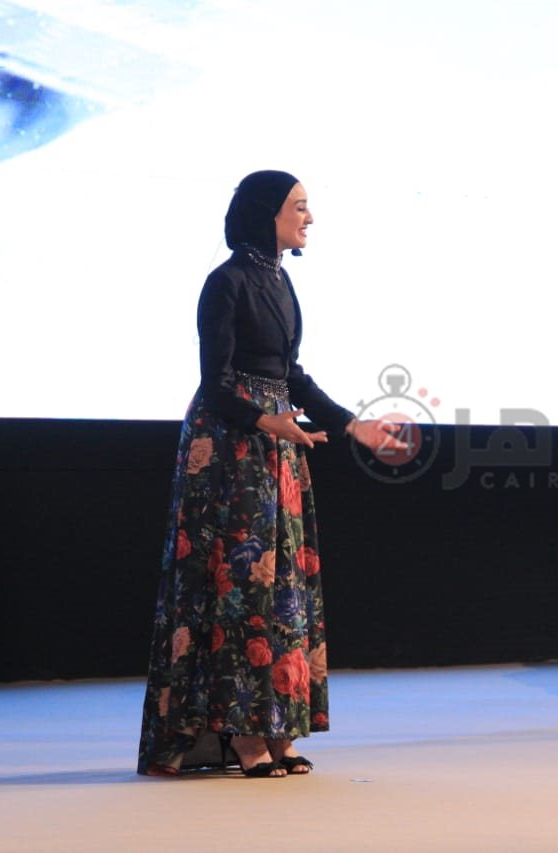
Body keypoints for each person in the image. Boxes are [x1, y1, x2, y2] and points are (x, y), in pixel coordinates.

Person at [137, 170, 402, 776]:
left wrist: (350, 424)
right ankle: (241, 734)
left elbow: (292, 375)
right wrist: (266, 421)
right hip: (230, 446)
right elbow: (216, 383)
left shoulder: (280, 280)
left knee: (279, 584)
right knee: (240, 585)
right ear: (267, 213)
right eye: (298, 207)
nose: (309, 218)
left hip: (275, 443)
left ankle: (275, 725)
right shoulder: (226, 281)